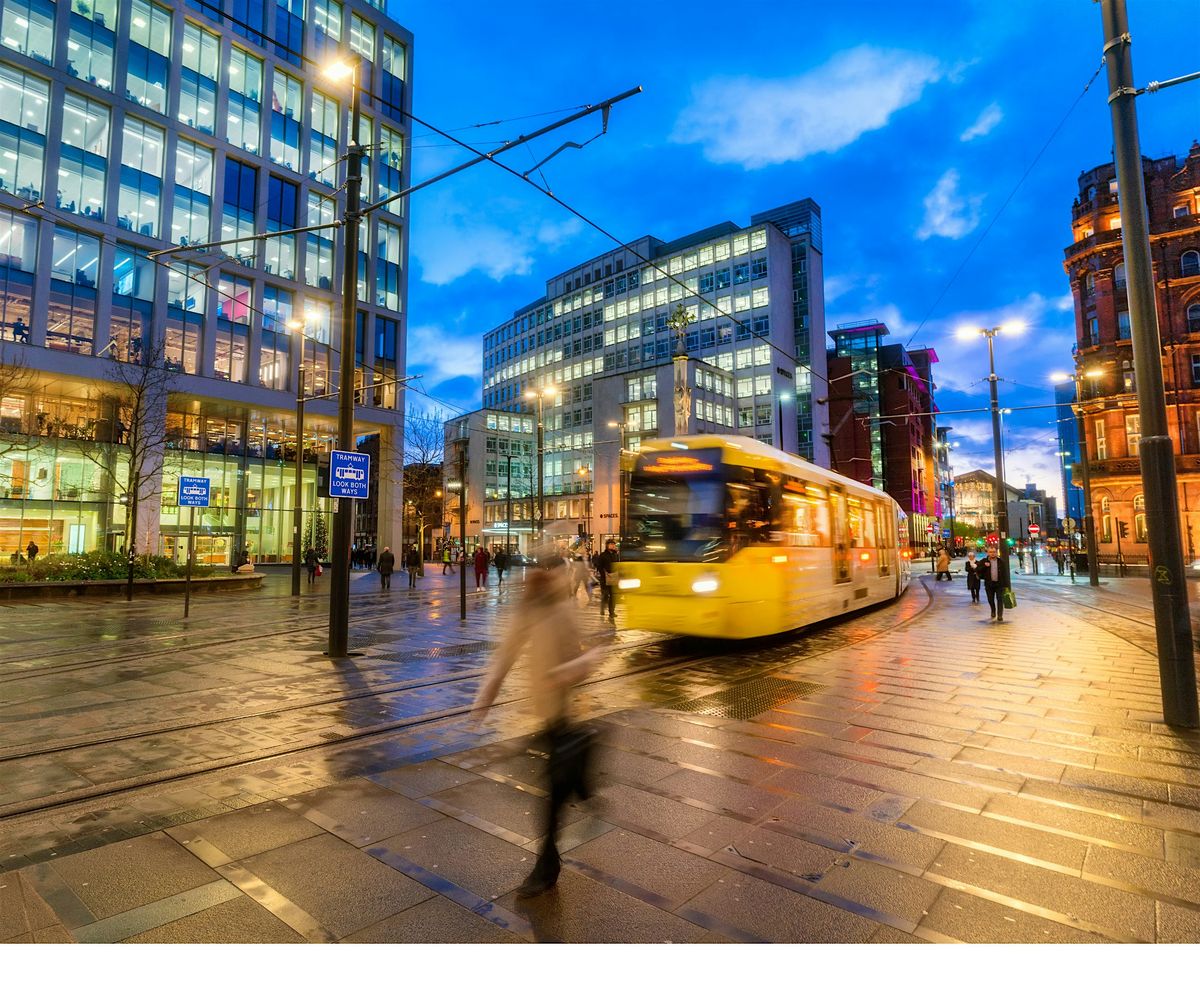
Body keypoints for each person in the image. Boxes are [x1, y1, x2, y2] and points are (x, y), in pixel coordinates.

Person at [471, 550, 603, 896]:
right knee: (551, 789)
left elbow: (591, 656)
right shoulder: (528, 612)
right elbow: (505, 657)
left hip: (561, 715)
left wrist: (559, 674)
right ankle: (582, 793)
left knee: (551, 797)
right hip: (544, 719)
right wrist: (484, 700)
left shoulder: (563, 612)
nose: (534, 583)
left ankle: (547, 865)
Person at [977, 547, 1009, 621]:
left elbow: (1005, 574)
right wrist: (984, 566)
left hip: (999, 584)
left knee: (1000, 599)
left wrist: (1006, 585)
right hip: (989, 584)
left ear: (996, 552)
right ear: (988, 553)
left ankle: (1000, 615)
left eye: (994, 552)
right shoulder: (984, 561)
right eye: (990, 552)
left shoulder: (1001, 561)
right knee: (990, 599)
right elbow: (977, 570)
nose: (992, 553)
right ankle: (993, 610)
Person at [594, 539, 619, 623]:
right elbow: (599, 566)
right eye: (611, 544)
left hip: (614, 577)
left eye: (613, 544)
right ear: (607, 545)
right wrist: (603, 574)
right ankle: (602, 608)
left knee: (613, 595)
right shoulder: (603, 555)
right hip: (605, 578)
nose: (613, 546)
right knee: (605, 595)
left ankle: (611, 612)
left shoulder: (615, 554)